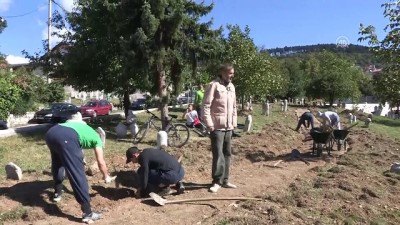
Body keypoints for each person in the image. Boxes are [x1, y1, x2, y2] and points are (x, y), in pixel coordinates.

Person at [44, 111, 115, 224]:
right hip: (67, 138)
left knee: (58, 163)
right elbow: (100, 162)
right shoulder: (96, 139)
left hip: (51, 133)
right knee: (77, 173)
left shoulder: (79, 127)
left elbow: (77, 144)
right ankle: (88, 213)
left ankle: (57, 193)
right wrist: (106, 176)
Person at [203, 63, 238, 193]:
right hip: (216, 127)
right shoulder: (214, 86)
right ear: (222, 73)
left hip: (229, 127)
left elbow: (234, 107)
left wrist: (234, 123)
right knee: (218, 154)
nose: (232, 76)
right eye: (230, 73)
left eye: (232, 73)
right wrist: (209, 123)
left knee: (227, 153)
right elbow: (206, 105)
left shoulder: (232, 87)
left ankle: (225, 180)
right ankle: (217, 181)